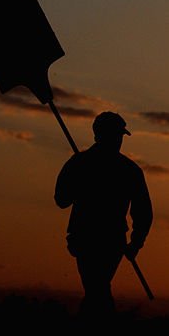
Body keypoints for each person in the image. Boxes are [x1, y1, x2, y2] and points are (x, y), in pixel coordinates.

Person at [55, 111, 152, 318]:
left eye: (119, 136)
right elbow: (62, 200)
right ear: (102, 135)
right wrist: (135, 242)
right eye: (116, 135)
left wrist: (136, 243)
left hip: (100, 239)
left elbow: (142, 212)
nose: (118, 141)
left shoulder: (81, 163)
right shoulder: (128, 169)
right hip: (95, 239)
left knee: (96, 287)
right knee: (97, 287)